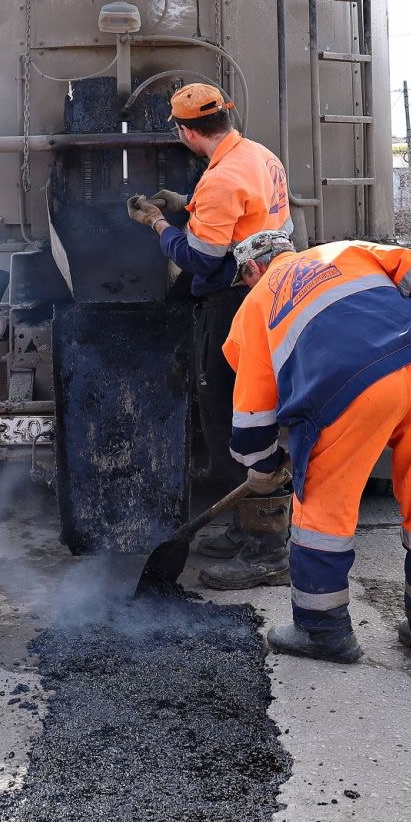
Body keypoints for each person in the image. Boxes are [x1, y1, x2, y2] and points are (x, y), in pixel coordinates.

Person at [220, 230, 411, 665]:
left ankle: (323, 630)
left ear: (253, 269)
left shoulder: (256, 304)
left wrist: (261, 465)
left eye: (243, 280)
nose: (246, 288)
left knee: (323, 511)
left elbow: (253, 412)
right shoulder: (348, 251)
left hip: (348, 391)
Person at [126, 82, 292, 589]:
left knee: (232, 412)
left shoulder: (222, 179)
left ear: (185, 130)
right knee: (248, 408)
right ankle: (249, 529)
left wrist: (158, 224)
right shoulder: (258, 156)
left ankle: (267, 547)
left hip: (235, 303)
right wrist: (187, 204)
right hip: (271, 292)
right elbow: (242, 214)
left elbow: (201, 258)